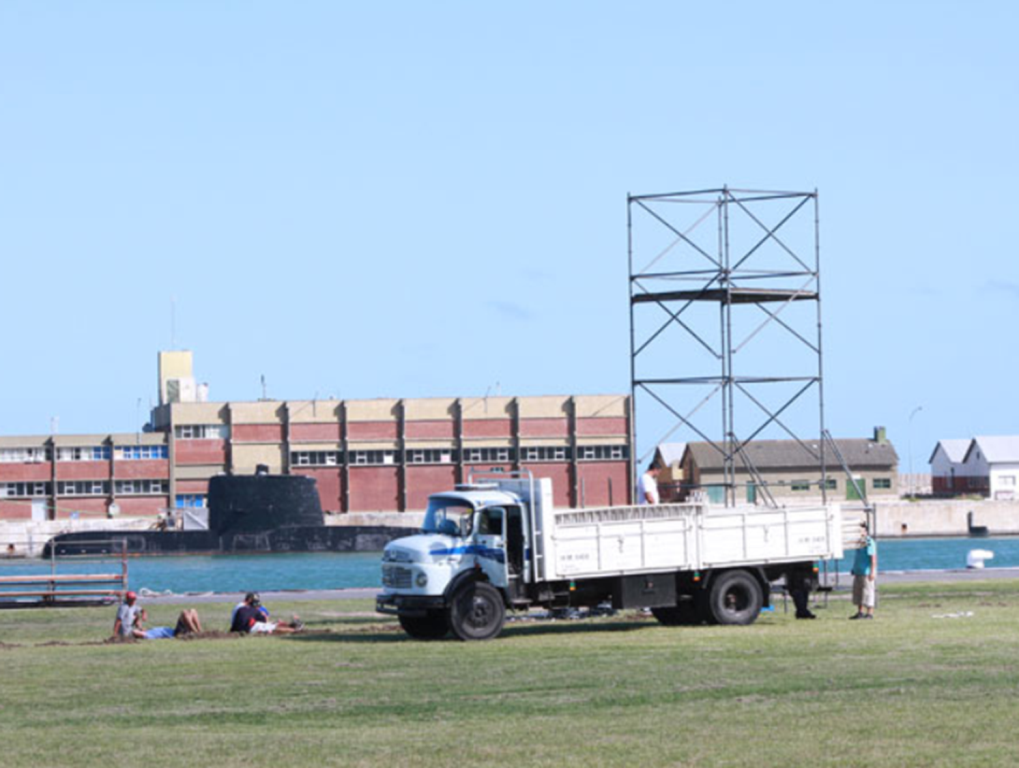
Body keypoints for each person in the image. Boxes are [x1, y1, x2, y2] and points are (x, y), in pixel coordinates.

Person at [112, 591, 204, 639]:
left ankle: (200, 632)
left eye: (134, 599)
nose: (134, 601)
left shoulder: (133, 607)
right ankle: (196, 633)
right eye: (133, 600)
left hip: (173, 631)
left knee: (192, 610)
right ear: (128, 600)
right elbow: (118, 621)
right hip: (175, 633)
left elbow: (141, 610)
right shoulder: (124, 608)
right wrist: (115, 635)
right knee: (184, 612)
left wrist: (143, 615)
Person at [230, 592, 303, 634]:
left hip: (244, 626)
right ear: (249, 600)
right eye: (255, 601)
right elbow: (264, 620)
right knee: (273, 627)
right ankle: (295, 630)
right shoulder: (245, 608)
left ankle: (292, 625)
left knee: (272, 624)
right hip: (247, 627)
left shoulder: (241, 607)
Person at [850, 522, 878, 620]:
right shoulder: (858, 543)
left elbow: (873, 558)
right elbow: (857, 557)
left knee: (868, 592)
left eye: (861, 530)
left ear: (866, 531)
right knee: (858, 593)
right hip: (858, 571)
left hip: (867, 572)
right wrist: (854, 568)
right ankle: (860, 612)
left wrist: (872, 572)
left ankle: (869, 613)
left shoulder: (869, 542)